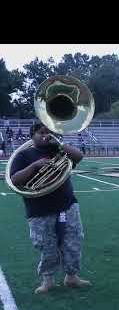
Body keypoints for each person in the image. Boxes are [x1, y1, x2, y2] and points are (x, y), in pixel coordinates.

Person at [9, 121, 91, 294]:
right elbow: (15, 180)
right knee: (47, 246)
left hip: (67, 204)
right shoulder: (23, 155)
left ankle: (71, 276)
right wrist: (35, 166)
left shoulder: (59, 150)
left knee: (73, 242)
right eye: (42, 132)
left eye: (49, 132)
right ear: (32, 135)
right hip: (39, 208)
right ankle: (48, 280)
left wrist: (59, 142)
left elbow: (79, 157)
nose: (46, 135)